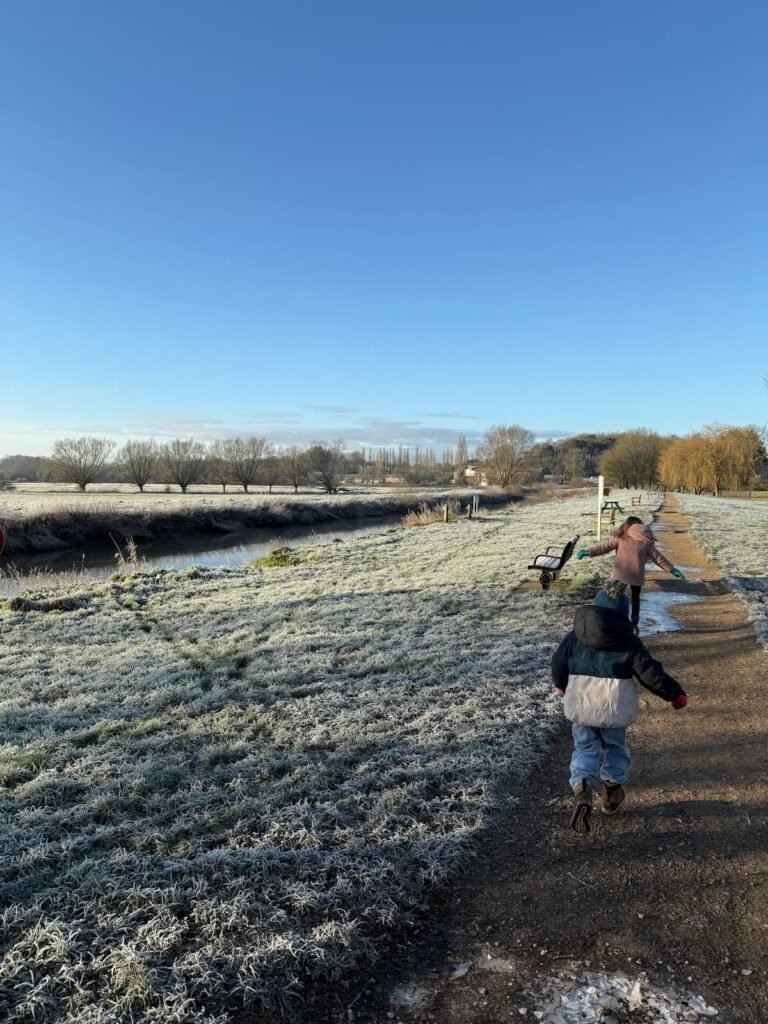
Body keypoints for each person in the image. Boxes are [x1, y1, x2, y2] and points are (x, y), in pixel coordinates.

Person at [551, 579, 688, 835]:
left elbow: (558, 662)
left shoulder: (575, 635)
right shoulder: (628, 640)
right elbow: (650, 673)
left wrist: (560, 684)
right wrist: (674, 694)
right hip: (613, 707)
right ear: (623, 613)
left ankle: (582, 787)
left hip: (581, 703)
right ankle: (612, 789)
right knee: (615, 747)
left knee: (584, 747)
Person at [576, 516, 685, 633]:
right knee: (635, 600)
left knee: (612, 596)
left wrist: (588, 552)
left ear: (628, 525)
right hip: (636, 575)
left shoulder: (621, 537)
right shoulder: (645, 541)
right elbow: (658, 557)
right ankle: (634, 625)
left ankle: (607, 620)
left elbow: (604, 547)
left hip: (620, 573)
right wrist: (672, 570)